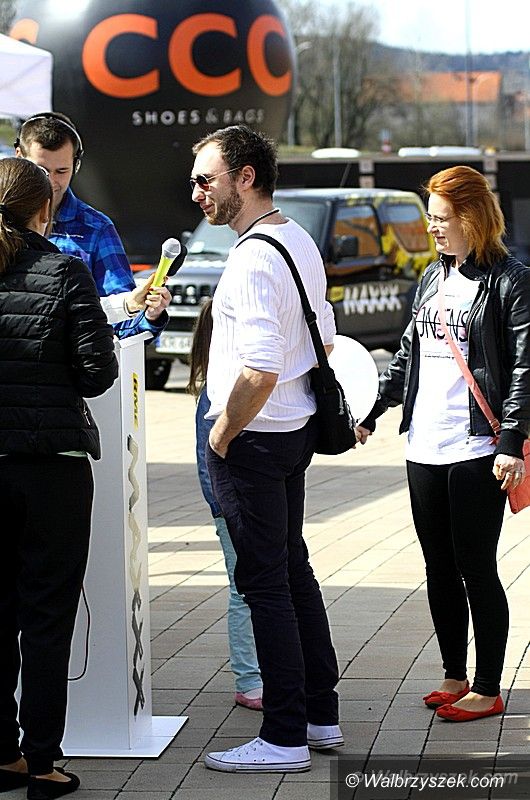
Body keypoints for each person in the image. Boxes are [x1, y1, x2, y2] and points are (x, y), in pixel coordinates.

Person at [190, 124, 343, 773]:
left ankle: (283, 736)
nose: (196, 192)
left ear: (245, 177)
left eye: (206, 179)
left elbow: (259, 367)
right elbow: (324, 339)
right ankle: (319, 716)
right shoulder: (296, 239)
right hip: (291, 432)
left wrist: (221, 432)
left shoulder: (254, 258)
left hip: (254, 441)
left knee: (264, 583)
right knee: (291, 571)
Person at [356, 165, 530, 723]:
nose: (432, 227)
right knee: (438, 566)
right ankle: (454, 674)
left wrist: (510, 440)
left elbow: (525, 367)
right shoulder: (432, 277)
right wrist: (373, 408)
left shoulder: (509, 281)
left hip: (476, 447)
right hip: (424, 444)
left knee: (476, 565)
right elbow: (408, 354)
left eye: (441, 218)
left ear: (472, 217)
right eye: (430, 217)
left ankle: (488, 686)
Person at [0, 158, 118, 796]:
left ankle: (1, 754)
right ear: (43, 210)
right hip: (52, 468)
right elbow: (96, 374)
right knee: (47, 617)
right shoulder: (65, 271)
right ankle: (42, 761)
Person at [14, 111, 170, 336]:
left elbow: (124, 323)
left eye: (61, 171)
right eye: (41, 170)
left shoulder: (96, 228)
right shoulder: (4, 220)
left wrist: (149, 314)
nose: (50, 181)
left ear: (76, 165)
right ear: (19, 157)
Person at [187, 299, 263, 712]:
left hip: (246, 503)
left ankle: (261, 672)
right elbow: (207, 462)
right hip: (232, 507)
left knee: (255, 588)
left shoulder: (236, 386)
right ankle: (249, 679)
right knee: (243, 590)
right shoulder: (216, 396)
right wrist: (222, 510)